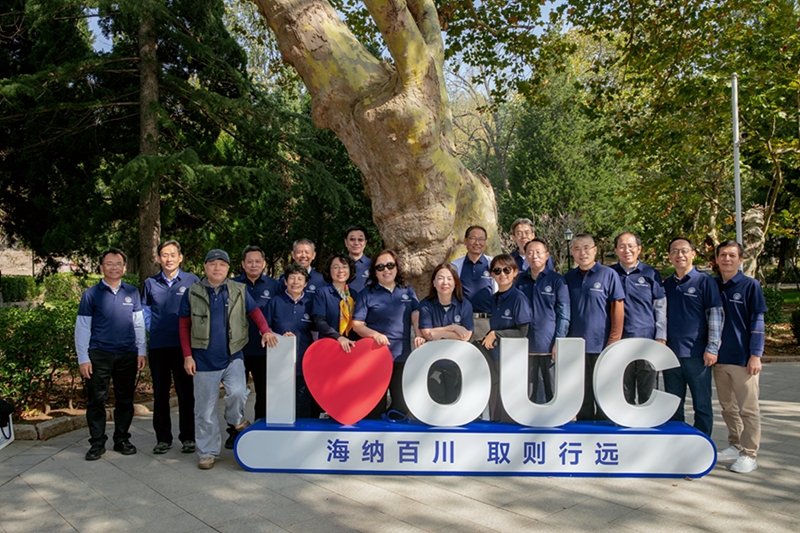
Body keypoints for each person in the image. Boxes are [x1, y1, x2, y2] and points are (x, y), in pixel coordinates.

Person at [179, 249, 277, 470]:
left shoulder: (238, 289)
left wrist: (265, 331)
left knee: (239, 392)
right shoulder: (193, 292)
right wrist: (187, 356)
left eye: (222, 265)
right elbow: (184, 325)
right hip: (203, 359)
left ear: (228, 268)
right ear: (205, 267)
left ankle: (235, 418)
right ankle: (207, 452)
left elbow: (255, 312)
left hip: (233, 356)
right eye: (213, 264)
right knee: (205, 410)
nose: (217, 268)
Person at [75, 248, 146, 461]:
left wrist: (141, 351)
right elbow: (82, 327)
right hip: (99, 355)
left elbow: (139, 324)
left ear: (124, 267)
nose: (114, 267)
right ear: (101, 267)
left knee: (125, 400)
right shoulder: (91, 294)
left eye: (118, 264)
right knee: (97, 400)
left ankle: (122, 439)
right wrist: (83, 358)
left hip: (127, 354)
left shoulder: (132, 292)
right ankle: (97, 443)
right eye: (109, 263)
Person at [142, 240, 200, 455]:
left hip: (185, 348)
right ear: (158, 258)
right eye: (164, 255)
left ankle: (188, 437)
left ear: (180, 257)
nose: (169, 259)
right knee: (160, 394)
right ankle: (163, 438)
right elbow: (145, 312)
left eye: (173, 254)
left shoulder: (192, 280)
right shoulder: (150, 283)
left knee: (186, 393)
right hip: (159, 346)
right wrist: (155, 329)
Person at [713, 240, 766, 473]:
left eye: (732, 255)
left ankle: (749, 454)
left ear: (741, 259)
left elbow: (758, 322)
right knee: (728, 407)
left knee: (748, 409)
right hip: (719, 359)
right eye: (723, 255)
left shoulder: (750, 285)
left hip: (743, 359)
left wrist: (756, 355)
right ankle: (735, 444)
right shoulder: (713, 285)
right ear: (716, 259)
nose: (727, 259)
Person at [662, 237, 723, 437]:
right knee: (673, 405)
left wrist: (712, 348)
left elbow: (715, 315)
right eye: (674, 251)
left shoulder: (704, 281)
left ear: (693, 254)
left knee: (702, 404)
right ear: (669, 256)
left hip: (697, 354)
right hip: (671, 355)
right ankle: (677, 443)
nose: (679, 255)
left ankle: (702, 444)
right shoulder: (667, 284)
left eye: (684, 251)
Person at [352, 250, 425, 415]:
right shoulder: (367, 293)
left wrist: (419, 334)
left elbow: (415, 315)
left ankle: (390, 429)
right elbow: (357, 325)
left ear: (397, 267)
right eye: (380, 267)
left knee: (402, 407)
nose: (386, 270)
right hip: (375, 358)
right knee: (375, 409)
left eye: (390, 265)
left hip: (401, 356)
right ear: (374, 271)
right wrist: (375, 335)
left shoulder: (407, 290)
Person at [565, 233, 625, 421]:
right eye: (577, 249)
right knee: (582, 394)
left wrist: (614, 340)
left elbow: (617, 308)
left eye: (586, 248)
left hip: (602, 344)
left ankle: (604, 433)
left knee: (604, 392)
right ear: (572, 252)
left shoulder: (608, 275)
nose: (582, 253)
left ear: (595, 250)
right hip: (576, 347)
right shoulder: (568, 278)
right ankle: (584, 431)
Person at [610, 232, 667, 405]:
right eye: (622, 246)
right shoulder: (610, 273)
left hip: (646, 339)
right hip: (619, 341)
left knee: (647, 394)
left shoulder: (650, 273)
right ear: (616, 250)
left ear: (639, 249)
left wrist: (661, 336)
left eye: (631, 246)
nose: (626, 250)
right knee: (623, 393)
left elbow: (660, 306)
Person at [476, 254, 532, 421]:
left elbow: (522, 332)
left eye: (506, 270)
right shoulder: (494, 299)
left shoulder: (518, 298)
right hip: (495, 358)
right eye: (497, 270)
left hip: (511, 361)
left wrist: (495, 334)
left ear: (515, 272)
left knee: (509, 409)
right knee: (496, 405)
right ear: (491, 274)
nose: (502, 274)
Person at [515, 238, 570, 404]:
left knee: (553, 393)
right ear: (525, 256)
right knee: (527, 395)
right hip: (525, 347)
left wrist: (559, 341)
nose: (534, 256)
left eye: (539, 252)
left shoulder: (557, 280)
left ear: (547, 255)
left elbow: (564, 314)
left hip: (549, 347)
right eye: (530, 252)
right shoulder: (518, 281)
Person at [232, 245, 279, 426]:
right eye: (249, 262)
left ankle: (261, 426)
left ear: (264, 264)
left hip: (264, 350)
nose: (253, 265)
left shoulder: (274, 285)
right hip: (238, 349)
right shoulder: (232, 285)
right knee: (235, 393)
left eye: (257, 261)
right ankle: (235, 428)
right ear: (243, 264)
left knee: (264, 392)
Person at [418, 263, 474, 404]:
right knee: (435, 400)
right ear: (434, 283)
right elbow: (427, 333)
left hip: (457, 362)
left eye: (449, 278)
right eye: (440, 278)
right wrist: (453, 327)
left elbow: (466, 336)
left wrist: (440, 334)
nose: (445, 282)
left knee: (455, 400)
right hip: (433, 362)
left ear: (455, 283)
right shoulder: (426, 304)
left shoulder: (464, 304)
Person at [265, 264, 316, 418]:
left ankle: (303, 431)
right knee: (280, 405)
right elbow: (265, 329)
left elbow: (316, 332)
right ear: (285, 281)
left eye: (300, 279)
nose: (295, 282)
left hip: (303, 361)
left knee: (302, 403)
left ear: (305, 283)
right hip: (279, 363)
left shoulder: (311, 304)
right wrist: (280, 338)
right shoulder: (275, 302)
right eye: (292, 278)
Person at [452, 225, 495, 340]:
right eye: (473, 238)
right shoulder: (455, 266)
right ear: (465, 241)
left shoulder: (493, 264)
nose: (477, 243)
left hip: (487, 322)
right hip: (462, 322)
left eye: (481, 239)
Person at [312, 253, 360, 352]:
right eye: (335, 267)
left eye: (344, 267)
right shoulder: (322, 293)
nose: (340, 270)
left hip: (351, 347)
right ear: (329, 270)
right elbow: (319, 321)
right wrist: (338, 337)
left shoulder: (354, 295)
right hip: (328, 346)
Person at [344, 225, 371, 292]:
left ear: (365, 242)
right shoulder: (339, 265)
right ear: (346, 242)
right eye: (352, 239)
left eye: (360, 239)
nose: (356, 243)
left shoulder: (373, 265)